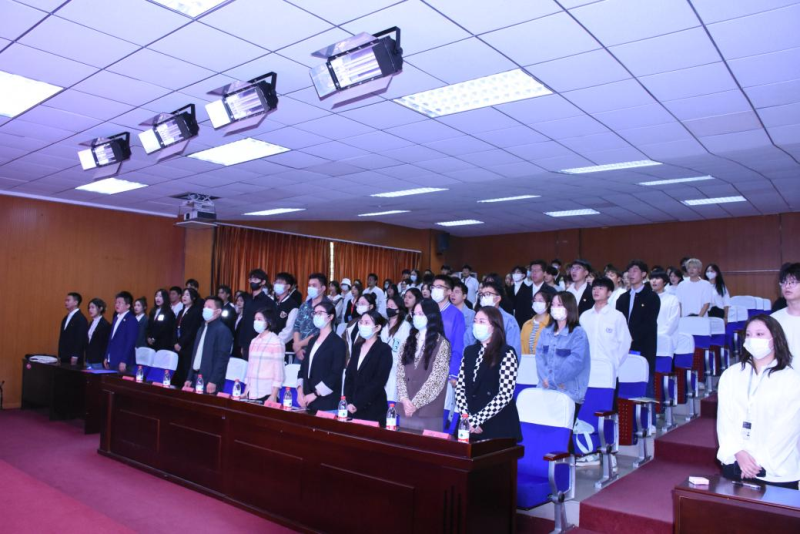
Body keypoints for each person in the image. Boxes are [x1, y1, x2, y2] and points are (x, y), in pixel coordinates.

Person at [717, 315, 800, 489]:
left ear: (775, 339)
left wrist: (755, 463)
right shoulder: (731, 375)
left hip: (776, 469)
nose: (753, 339)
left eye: (760, 334)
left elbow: (787, 429)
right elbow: (725, 420)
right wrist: (739, 453)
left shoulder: (792, 380)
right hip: (736, 464)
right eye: (748, 335)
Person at [455, 306, 522, 442]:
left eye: (482, 321)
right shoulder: (469, 351)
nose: (476, 325)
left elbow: (505, 394)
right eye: (475, 321)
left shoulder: (506, 353)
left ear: (494, 326)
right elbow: (460, 388)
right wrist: (466, 418)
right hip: (468, 421)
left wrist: (476, 420)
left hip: (497, 423)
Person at [396, 299, 451, 431]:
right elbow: (400, 374)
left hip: (428, 410)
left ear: (431, 316)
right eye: (414, 314)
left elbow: (436, 380)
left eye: (421, 314)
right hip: (406, 408)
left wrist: (414, 404)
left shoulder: (442, 344)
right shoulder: (408, 342)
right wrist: (404, 399)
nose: (416, 317)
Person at [536, 291, 591, 408]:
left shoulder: (578, 333)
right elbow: (539, 358)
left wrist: (552, 380)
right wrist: (545, 380)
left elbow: (575, 362)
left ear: (569, 307)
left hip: (568, 391)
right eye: (553, 305)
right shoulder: (546, 332)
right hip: (545, 388)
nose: (555, 308)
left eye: (559, 305)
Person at [615, 262, 660, 396]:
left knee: (644, 380)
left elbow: (649, 323)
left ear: (644, 274)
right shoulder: (622, 298)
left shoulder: (652, 297)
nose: (631, 274)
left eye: (635, 271)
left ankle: (648, 409)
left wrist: (630, 339)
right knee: (624, 380)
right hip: (624, 346)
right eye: (629, 271)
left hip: (643, 345)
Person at [343, 309, 393, 425]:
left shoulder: (384, 350)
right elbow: (349, 376)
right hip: (352, 406)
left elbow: (378, 381)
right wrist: (349, 401)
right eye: (361, 322)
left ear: (377, 327)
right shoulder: (357, 347)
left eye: (367, 323)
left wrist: (358, 403)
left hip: (373, 407)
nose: (362, 325)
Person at [297, 301, 347, 412]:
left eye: (320, 313)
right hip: (307, 398)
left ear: (330, 317)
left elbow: (335, 374)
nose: (316, 316)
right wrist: (300, 391)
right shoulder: (312, 341)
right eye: (315, 313)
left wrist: (315, 394)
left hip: (327, 401)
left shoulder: (338, 343)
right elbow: (303, 368)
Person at [581, 278, 632, 378]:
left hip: (608, 369)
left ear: (609, 293)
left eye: (601, 288)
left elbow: (625, 343)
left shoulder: (617, 316)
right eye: (594, 288)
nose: (596, 291)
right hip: (586, 368)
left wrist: (615, 363)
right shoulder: (584, 316)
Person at [184, 297, 233, 394]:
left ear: (218, 311)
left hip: (209, 380)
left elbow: (222, 359)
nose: (205, 309)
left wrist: (214, 381)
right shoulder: (201, 328)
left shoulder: (223, 330)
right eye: (204, 306)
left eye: (209, 307)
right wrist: (189, 377)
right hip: (195, 377)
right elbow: (195, 355)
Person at [243, 308, 285, 402]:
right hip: (251, 392)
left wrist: (273, 395)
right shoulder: (254, 341)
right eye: (255, 319)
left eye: (259, 319)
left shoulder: (276, 342)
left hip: (267, 393)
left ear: (268, 322)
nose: (256, 322)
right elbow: (250, 368)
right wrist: (246, 391)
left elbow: (279, 371)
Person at [432, 276, 466, 385]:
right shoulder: (426, 311)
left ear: (449, 291)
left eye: (439, 287)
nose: (435, 290)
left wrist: (453, 373)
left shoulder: (456, 315)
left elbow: (458, 345)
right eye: (433, 287)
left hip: (444, 370)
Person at [478, 279, 522, 358]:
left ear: (497, 298)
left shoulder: (509, 320)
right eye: (482, 295)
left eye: (487, 294)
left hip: (502, 363)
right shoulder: (477, 318)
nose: (483, 297)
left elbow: (514, 350)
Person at [238, 268, 276, 360]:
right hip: (246, 343)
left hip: (261, 343)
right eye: (251, 279)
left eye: (255, 279)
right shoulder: (247, 300)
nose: (252, 282)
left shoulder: (269, 302)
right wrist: (242, 344)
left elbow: (271, 325)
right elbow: (244, 322)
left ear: (263, 282)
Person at [292, 273, 331, 361]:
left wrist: (298, 345)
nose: (310, 288)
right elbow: (296, 326)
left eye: (314, 285)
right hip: (299, 352)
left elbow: (320, 332)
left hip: (318, 352)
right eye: (309, 285)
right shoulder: (304, 305)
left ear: (323, 288)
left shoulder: (328, 307)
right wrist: (298, 348)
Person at [381, 294, 411, 403]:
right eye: (387, 306)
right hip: (383, 365)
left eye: (391, 306)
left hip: (396, 367)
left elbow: (405, 349)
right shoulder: (385, 326)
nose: (388, 308)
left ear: (399, 308)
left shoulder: (405, 326)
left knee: (392, 398)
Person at [771, 262, 800, 367]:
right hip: (783, 373)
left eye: (793, 282)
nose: (787, 286)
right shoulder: (774, 319)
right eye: (784, 282)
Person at [173, 288, 203, 385]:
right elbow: (175, 327)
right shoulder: (181, 311)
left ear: (193, 298)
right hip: (178, 344)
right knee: (178, 370)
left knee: (186, 368)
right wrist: (175, 342)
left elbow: (192, 330)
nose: (184, 297)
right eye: (183, 295)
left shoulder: (196, 311)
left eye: (187, 295)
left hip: (188, 346)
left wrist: (181, 343)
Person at [105, 291, 139, 373]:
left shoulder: (131, 320)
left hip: (123, 362)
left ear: (128, 305)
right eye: (116, 302)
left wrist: (124, 360)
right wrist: (106, 356)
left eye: (120, 303)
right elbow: (111, 339)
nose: (117, 305)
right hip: (112, 359)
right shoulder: (116, 318)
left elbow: (130, 342)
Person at [273, 272, 299, 358]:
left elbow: (289, 331)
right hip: (271, 347)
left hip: (284, 350)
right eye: (276, 282)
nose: (276, 285)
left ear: (288, 286)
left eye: (280, 283)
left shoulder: (293, 306)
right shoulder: (274, 304)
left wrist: (274, 342)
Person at [343, 294, 377, 358]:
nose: (359, 306)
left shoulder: (376, 323)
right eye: (358, 303)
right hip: (349, 358)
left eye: (362, 304)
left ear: (371, 306)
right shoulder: (352, 322)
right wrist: (347, 357)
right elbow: (344, 338)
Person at [649, 271, 681, 340]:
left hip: (666, 339)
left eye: (657, 278)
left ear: (664, 282)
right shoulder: (645, 299)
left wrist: (660, 336)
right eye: (651, 278)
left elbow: (673, 322)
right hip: (648, 338)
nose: (654, 281)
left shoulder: (672, 299)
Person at [59, 292, 88, 365]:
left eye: (68, 300)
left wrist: (75, 355)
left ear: (75, 302)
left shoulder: (81, 319)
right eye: (65, 300)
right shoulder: (65, 318)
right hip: (64, 356)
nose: (66, 302)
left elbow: (81, 338)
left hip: (74, 357)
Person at [521, 290, 552, 357]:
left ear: (548, 304)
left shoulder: (552, 324)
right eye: (535, 300)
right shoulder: (527, 324)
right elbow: (522, 345)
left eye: (540, 301)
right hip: (527, 361)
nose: (537, 303)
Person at [84, 298, 111, 370]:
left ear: (100, 308)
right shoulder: (91, 323)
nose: (90, 310)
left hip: (98, 360)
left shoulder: (105, 324)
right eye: (89, 308)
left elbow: (105, 344)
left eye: (93, 307)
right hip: (89, 359)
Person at [451, 280, 476, 347]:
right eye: (452, 291)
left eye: (457, 292)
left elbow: (471, 339)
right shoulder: (446, 311)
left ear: (464, 296)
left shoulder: (471, 314)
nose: (453, 294)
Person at [232, 292, 250, 359]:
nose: (238, 302)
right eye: (237, 300)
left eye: (241, 301)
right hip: (235, 344)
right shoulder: (236, 315)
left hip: (242, 346)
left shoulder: (248, 317)